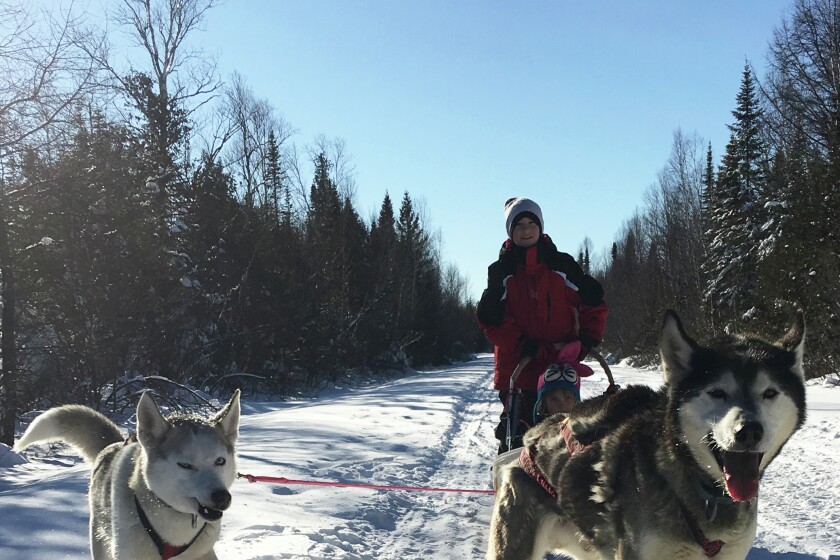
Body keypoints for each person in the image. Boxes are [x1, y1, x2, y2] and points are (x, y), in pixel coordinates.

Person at [476, 197, 608, 453]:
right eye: (519, 225)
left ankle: (565, 486)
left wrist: (588, 338)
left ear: (541, 227)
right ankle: (516, 486)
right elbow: (490, 319)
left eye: (531, 223)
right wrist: (524, 345)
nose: (526, 230)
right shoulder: (502, 271)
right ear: (510, 231)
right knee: (519, 437)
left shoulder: (562, 265)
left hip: (559, 368)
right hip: (518, 368)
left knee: (565, 434)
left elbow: (593, 300)